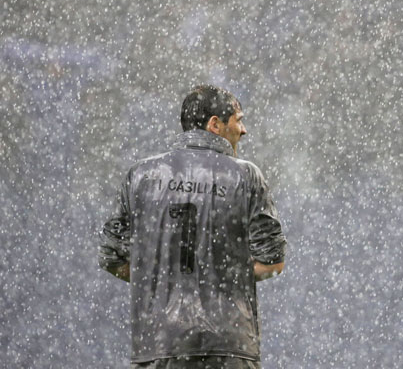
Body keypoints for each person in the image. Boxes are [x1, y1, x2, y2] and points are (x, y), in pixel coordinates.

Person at [99, 85, 287, 369]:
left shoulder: (141, 175)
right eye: (238, 119)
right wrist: (218, 281)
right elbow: (273, 262)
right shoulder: (246, 175)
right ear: (215, 124)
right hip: (229, 345)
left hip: (159, 345)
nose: (244, 130)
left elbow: (111, 257)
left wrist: (162, 280)